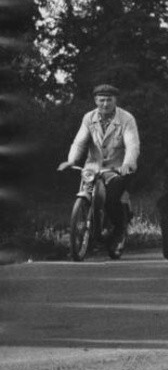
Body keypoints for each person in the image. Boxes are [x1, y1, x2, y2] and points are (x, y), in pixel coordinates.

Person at [58, 84, 140, 258]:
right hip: (93, 168)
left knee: (111, 200)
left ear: (115, 100)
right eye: (101, 100)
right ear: (95, 100)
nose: (105, 104)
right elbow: (79, 142)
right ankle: (83, 232)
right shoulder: (89, 118)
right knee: (85, 192)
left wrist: (127, 164)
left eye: (109, 100)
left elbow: (132, 145)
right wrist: (71, 160)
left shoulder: (126, 118)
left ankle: (119, 230)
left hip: (117, 169)